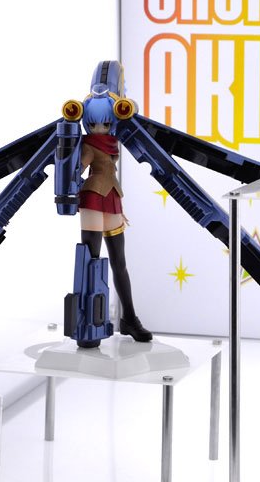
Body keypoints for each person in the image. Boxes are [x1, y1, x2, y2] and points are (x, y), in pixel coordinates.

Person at [78, 89, 152, 342]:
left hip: (112, 198)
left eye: (105, 123)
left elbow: (133, 113)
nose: (99, 128)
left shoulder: (113, 142)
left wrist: (125, 106)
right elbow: (78, 168)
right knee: (91, 261)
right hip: (93, 199)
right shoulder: (88, 145)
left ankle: (129, 319)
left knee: (119, 262)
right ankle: (87, 322)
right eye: (93, 124)